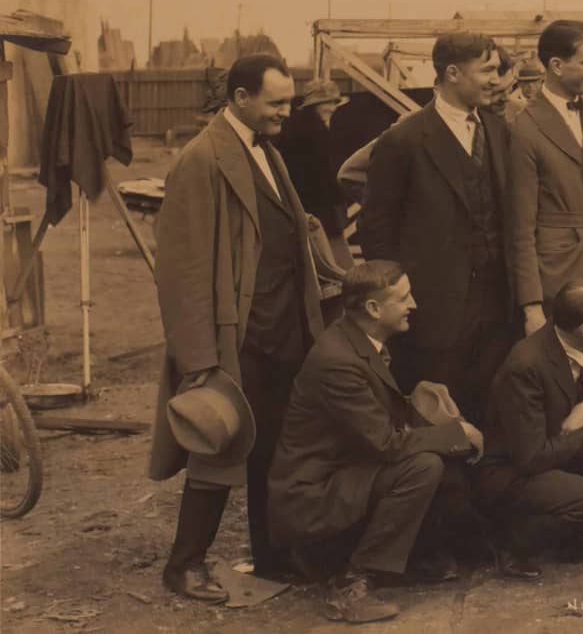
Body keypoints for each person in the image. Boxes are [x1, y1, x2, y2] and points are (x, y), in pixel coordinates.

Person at [151, 54, 326, 602]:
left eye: (289, 102)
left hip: (282, 332)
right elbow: (181, 271)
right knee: (217, 447)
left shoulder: (267, 149)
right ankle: (185, 564)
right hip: (235, 336)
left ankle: (272, 555)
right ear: (241, 97)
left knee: (275, 449)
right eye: (276, 103)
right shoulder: (201, 160)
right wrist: (198, 359)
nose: (285, 112)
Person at [268, 262, 485, 624]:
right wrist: (459, 434)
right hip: (312, 494)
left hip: (343, 474)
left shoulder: (358, 340)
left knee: (435, 458)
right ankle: (351, 585)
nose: (414, 304)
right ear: (373, 309)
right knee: (423, 465)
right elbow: (385, 444)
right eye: (403, 298)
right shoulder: (338, 361)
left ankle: (411, 558)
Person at [359, 31, 517, 422]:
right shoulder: (404, 140)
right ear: (452, 73)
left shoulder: (499, 132)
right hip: (434, 317)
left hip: (497, 310)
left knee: (488, 413)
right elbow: (375, 230)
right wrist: (401, 302)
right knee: (436, 419)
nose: (496, 80)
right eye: (488, 70)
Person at [477, 279, 583, 578]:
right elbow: (531, 458)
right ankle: (512, 544)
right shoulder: (525, 365)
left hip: (561, 448)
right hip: (515, 471)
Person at [508, 20, 583, 325]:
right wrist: (531, 304)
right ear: (556, 65)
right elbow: (521, 226)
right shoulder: (524, 127)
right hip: (559, 274)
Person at [278, 78, 353, 283]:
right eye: (326, 102)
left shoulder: (295, 126)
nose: (331, 107)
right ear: (313, 105)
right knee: (340, 267)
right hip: (318, 209)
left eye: (333, 103)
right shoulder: (314, 132)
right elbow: (323, 176)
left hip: (301, 206)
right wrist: (339, 201)